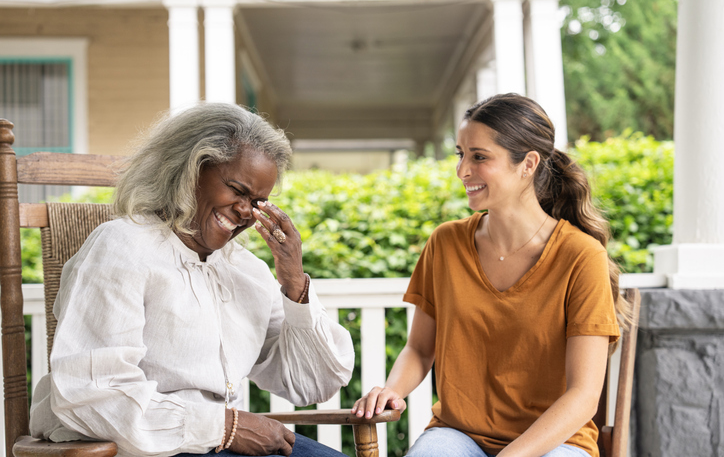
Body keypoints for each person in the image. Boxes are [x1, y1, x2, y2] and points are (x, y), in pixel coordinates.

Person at [29, 103, 355, 457]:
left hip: (220, 444)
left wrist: (295, 283)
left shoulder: (246, 272)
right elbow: (91, 391)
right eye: (236, 189)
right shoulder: (122, 246)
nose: (246, 211)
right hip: (144, 447)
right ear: (189, 170)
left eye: (258, 201)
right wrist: (223, 427)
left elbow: (312, 383)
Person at [353, 93, 630, 457]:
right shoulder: (446, 243)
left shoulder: (580, 256)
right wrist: (392, 389)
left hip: (556, 442)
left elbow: (583, 395)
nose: (462, 170)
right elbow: (420, 349)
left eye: (479, 157)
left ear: (528, 163)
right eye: (460, 154)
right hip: (458, 434)